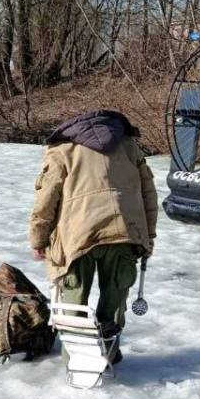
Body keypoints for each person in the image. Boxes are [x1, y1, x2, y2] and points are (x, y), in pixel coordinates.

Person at [30, 110, 157, 366]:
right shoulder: (130, 146)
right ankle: (108, 355)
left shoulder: (62, 150)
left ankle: (77, 360)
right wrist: (148, 237)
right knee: (114, 301)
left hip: (77, 237)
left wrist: (39, 239)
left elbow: (47, 199)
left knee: (74, 300)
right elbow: (149, 195)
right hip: (125, 232)